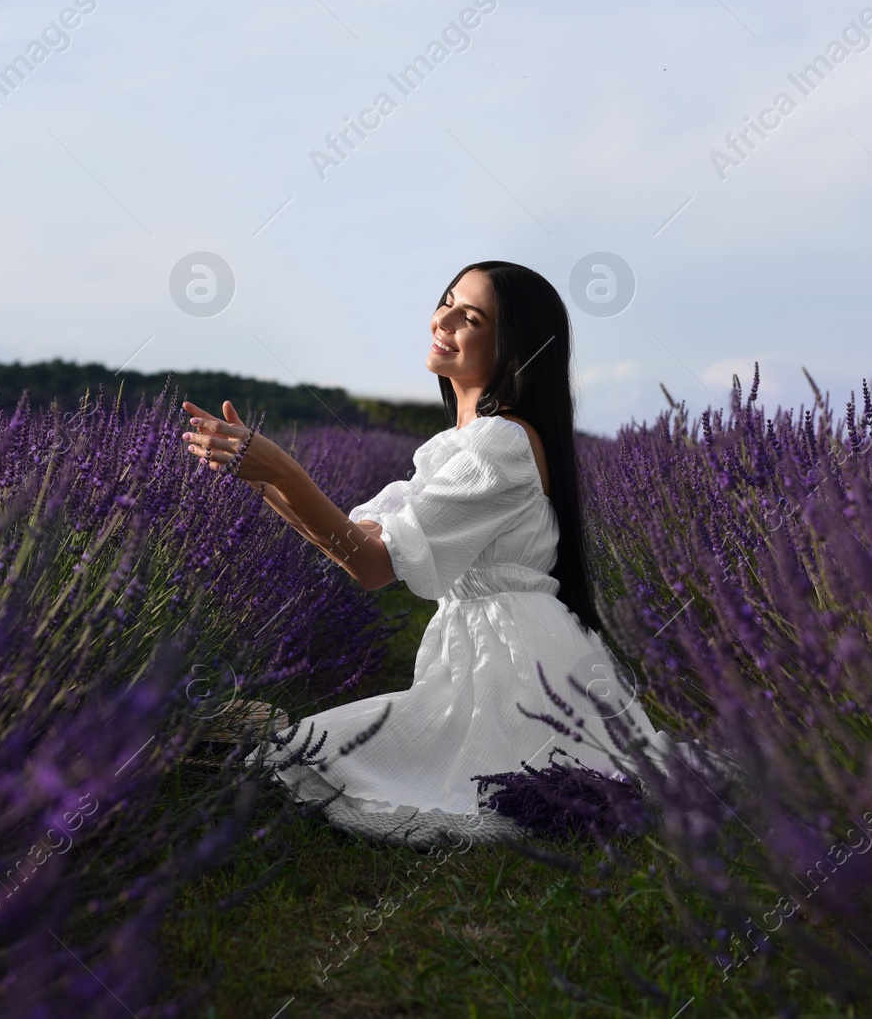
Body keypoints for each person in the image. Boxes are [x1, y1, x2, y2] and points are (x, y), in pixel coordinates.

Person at [180, 261, 678, 848]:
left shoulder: (500, 443)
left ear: (512, 347)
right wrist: (260, 478)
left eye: (469, 318)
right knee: (319, 751)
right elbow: (350, 541)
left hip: (516, 668)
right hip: (493, 650)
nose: (442, 319)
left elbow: (370, 566)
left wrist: (283, 467)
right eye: (446, 301)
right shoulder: (463, 444)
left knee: (328, 757)